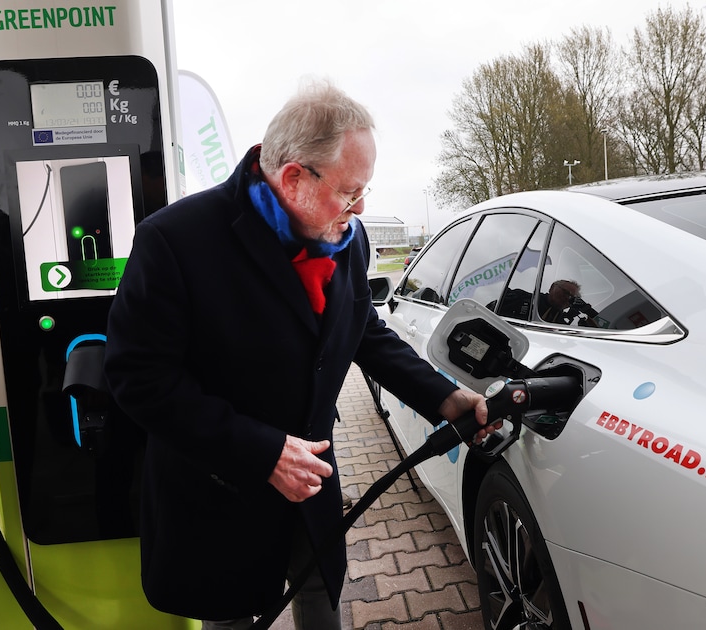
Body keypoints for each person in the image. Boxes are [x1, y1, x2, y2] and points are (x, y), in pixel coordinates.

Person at [104, 81, 491, 629]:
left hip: (310, 491)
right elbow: (139, 378)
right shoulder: (176, 240)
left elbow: (363, 333)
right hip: (220, 497)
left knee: (320, 606)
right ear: (292, 179)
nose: (361, 208)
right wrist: (263, 453)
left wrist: (446, 398)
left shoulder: (346, 238)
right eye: (350, 191)